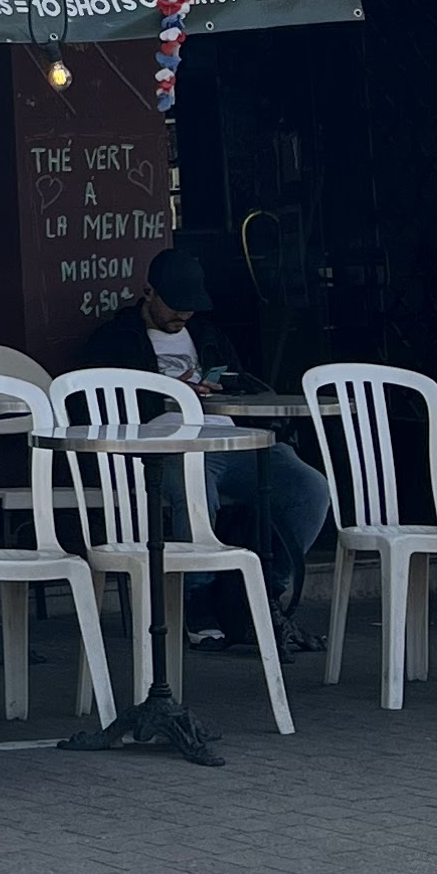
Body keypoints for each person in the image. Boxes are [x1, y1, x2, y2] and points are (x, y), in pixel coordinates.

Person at [80, 242, 335, 646]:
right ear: (148, 292)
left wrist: (218, 384)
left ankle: (265, 591)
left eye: (190, 307)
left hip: (228, 437)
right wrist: (169, 392)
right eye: (174, 305)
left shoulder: (207, 334)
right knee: (195, 487)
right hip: (166, 444)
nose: (183, 315)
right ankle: (196, 598)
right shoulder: (116, 339)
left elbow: (237, 378)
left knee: (310, 487)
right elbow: (96, 400)